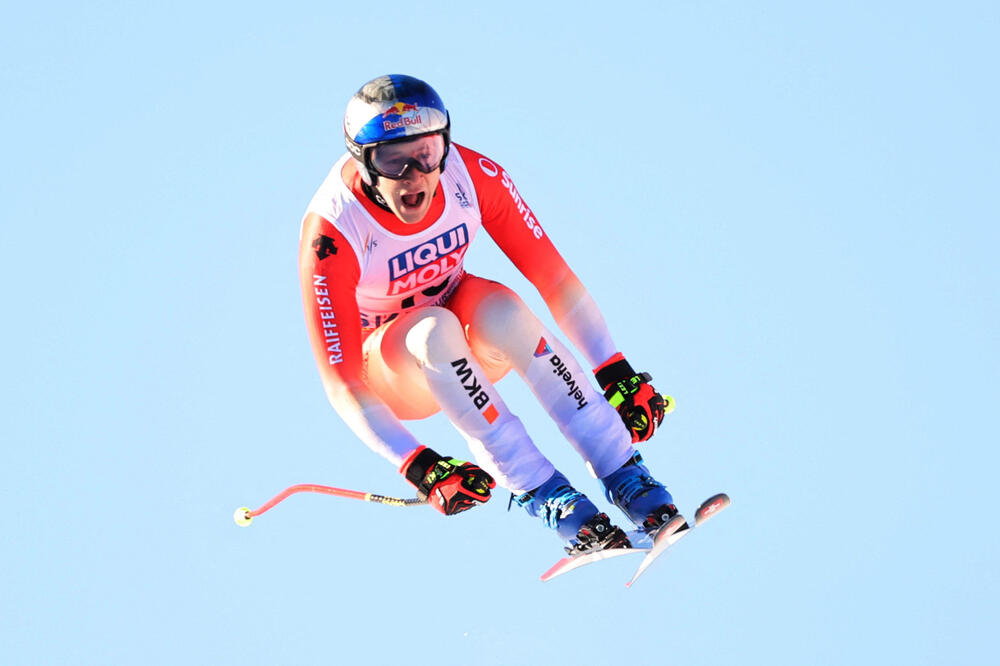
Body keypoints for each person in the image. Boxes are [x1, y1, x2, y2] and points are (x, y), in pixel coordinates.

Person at [299, 74, 676, 554]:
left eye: (427, 153)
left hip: (462, 320)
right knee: (433, 328)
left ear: (445, 145)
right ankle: (549, 498)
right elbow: (341, 382)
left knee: (503, 309)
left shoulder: (472, 175)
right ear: (365, 164)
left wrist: (614, 368)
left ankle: (628, 475)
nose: (414, 175)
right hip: (395, 368)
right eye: (393, 161)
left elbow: (554, 279)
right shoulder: (334, 229)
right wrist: (418, 464)